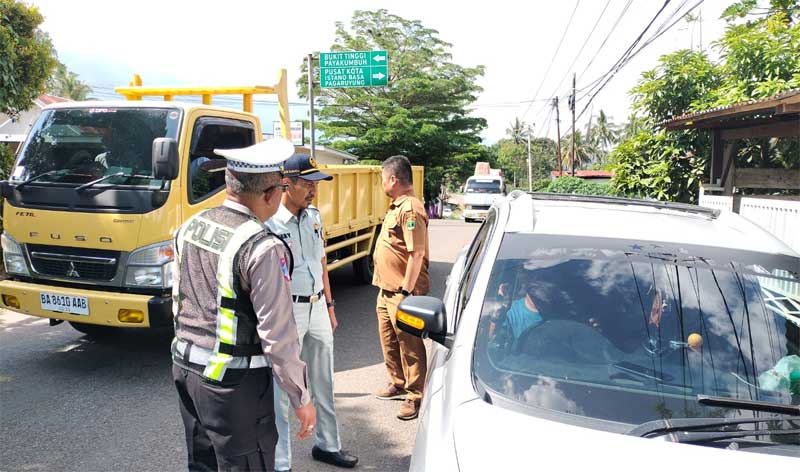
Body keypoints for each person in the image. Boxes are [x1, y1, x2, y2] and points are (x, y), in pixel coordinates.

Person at [171, 138, 317, 472]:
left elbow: (181, 298)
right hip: (233, 386)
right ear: (270, 194)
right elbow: (278, 336)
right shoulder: (262, 247)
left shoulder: (191, 226)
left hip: (186, 369)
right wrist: (301, 398)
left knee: (203, 463)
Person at [266, 154, 358, 471]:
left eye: (315, 183)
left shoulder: (315, 217)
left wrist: (330, 306)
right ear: (286, 183)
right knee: (283, 388)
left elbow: (321, 263)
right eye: (307, 183)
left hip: (318, 306)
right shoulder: (269, 223)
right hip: (286, 310)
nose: (313, 189)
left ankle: (328, 445)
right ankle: (281, 463)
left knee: (323, 382)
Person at [372, 155, 430, 421]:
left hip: (403, 292)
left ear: (393, 179)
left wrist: (406, 292)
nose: (382, 183)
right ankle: (398, 381)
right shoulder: (396, 206)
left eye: (383, 179)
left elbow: (416, 254)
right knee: (389, 339)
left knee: (409, 343)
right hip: (386, 289)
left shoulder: (410, 209)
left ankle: (415, 395)